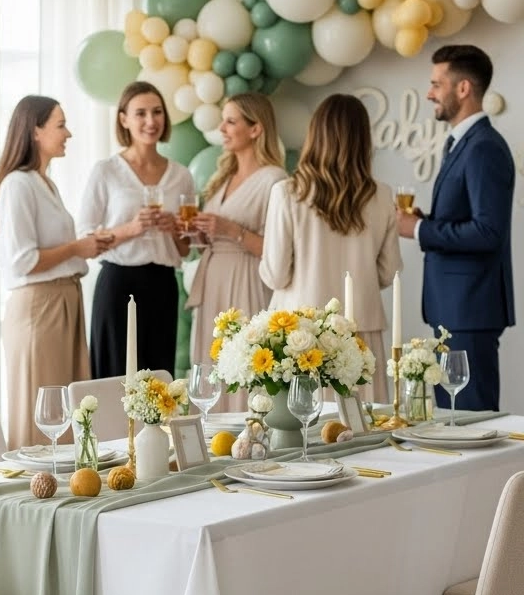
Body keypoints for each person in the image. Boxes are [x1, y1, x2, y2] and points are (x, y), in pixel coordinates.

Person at [0, 95, 112, 449]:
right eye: (60, 125)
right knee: (41, 411)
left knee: (70, 412)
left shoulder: (46, 184)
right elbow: (23, 260)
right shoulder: (17, 186)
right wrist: (77, 248)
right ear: (35, 131)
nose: (68, 133)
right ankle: (30, 495)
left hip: (64, 301)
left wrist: (85, 247)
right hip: (40, 309)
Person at [260, 93, 401, 403]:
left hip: (302, 335)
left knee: (304, 437)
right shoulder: (382, 195)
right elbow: (390, 272)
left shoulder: (287, 192)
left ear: (315, 135)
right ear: (363, 138)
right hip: (360, 331)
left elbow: (275, 275)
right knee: (363, 432)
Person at [396, 44, 515, 411]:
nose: (429, 93)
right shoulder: (463, 144)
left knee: (471, 422)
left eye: (436, 83)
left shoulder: (483, 148)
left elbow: (487, 232)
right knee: (452, 422)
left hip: (470, 309)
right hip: (455, 307)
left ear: (462, 89)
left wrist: (418, 231)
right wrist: (426, 220)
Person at [77, 81, 195, 377]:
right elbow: (86, 238)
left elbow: (186, 249)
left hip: (163, 285)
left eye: (157, 112)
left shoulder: (180, 175)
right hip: (118, 284)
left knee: (158, 379)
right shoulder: (105, 171)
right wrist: (131, 229)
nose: (150, 121)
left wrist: (173, 228)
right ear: (124, 119)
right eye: (140, 113)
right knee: (115, 378)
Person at [186, 93, 286, 411]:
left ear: (256, 129)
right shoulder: (222, 180)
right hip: (214, 276)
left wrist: (231, 231)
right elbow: (214, 236)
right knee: (211, 360)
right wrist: (201, 234)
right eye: (222, 121)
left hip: (246, 279)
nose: (222, 129)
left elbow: (280, 250)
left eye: (231, 121)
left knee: (245, 361)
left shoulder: (275, 180)